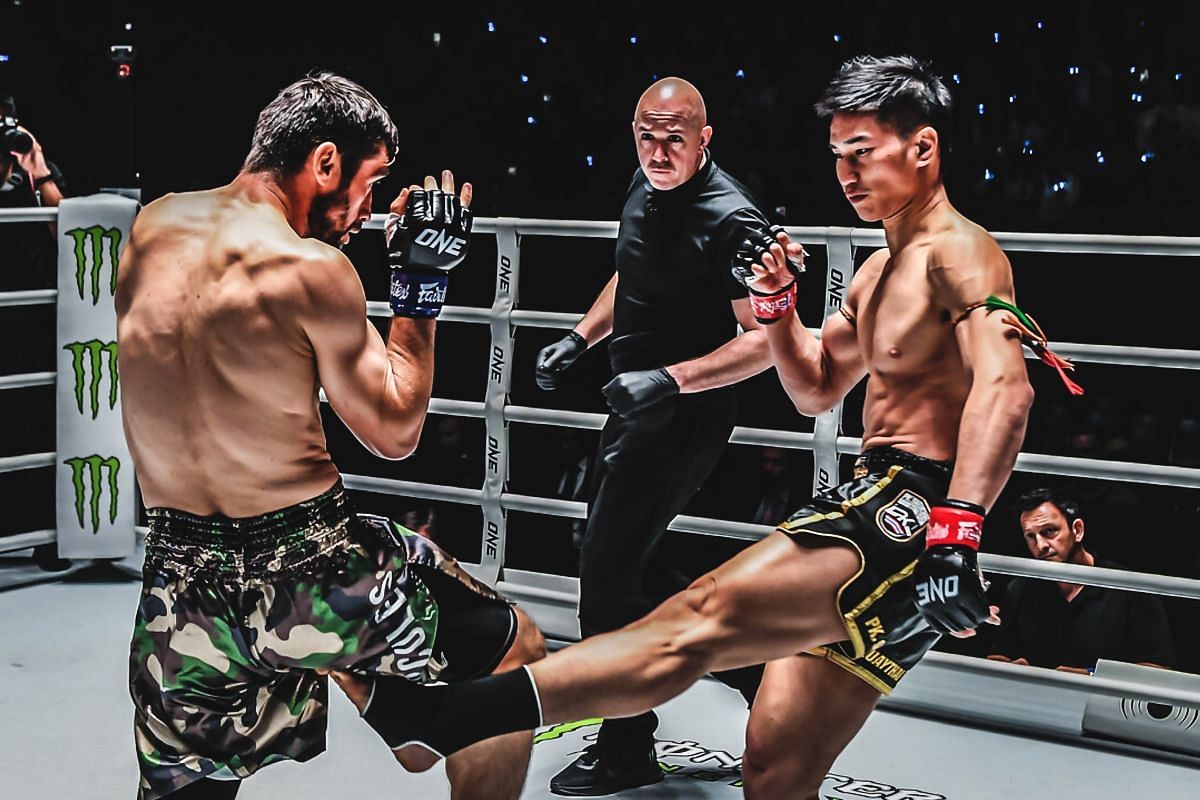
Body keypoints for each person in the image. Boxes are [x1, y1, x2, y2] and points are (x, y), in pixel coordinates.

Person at [330, 55, 1078, 799]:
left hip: (909, 507)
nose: (847, 174)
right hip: (885, 505)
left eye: (864, 152)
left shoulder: (961, 253)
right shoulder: (880, 273)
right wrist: (779, 305)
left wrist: (959, 529)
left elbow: (1007, 389)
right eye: (838, 156)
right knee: (774, 769)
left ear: (923, 148)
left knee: (698, 616)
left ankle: (449, 713)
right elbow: (815, 387)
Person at [117, 72, 544, 800]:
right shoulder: (314, 270)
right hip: (318, 575)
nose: (367, 212)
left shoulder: (152, 227)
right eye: (370, 183)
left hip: (178, 586)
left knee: (187, 784)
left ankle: (397, 706)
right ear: (323, 162)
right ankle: (399, 702)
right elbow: (396, 429)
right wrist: (418, 287)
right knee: (514, 653)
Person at [532, 76, 776, 795]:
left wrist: (668, 381)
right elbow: (631, 269)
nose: (659, 149)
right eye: (647, 133)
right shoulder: (643, 184)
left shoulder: (731, 217)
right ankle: (762, 669)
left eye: (675, 136)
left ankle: (628, 741)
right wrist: (580, 336)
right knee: (632, 568)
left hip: (684, 414)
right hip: (636, 406)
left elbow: (764, 341)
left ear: (706, 138)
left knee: (605, 579)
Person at [988, 487, 1176, 673]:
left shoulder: (1129, 588)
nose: (1040, 546)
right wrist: (1009, 670)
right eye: (1031, 536)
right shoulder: (1020, 588)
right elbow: (999, 655)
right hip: (1036, 700)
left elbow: (1157, 667)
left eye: (1049, 531)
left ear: (1077, 530)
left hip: (1103, 701)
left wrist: (1092, 677)